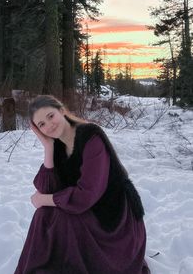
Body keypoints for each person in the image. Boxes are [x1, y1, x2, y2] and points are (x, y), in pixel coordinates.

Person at [14, 95, 150, 274]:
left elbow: (85, 196)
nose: (49, 125)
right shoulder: (58, 146)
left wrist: (45, 199)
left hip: (114, 220)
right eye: (41, 125)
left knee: (59, 217)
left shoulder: (90, 137)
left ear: (62, 111)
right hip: (89, 208)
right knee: (43, 215)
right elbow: (46, 187)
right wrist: (47, 148)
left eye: (50, 116)